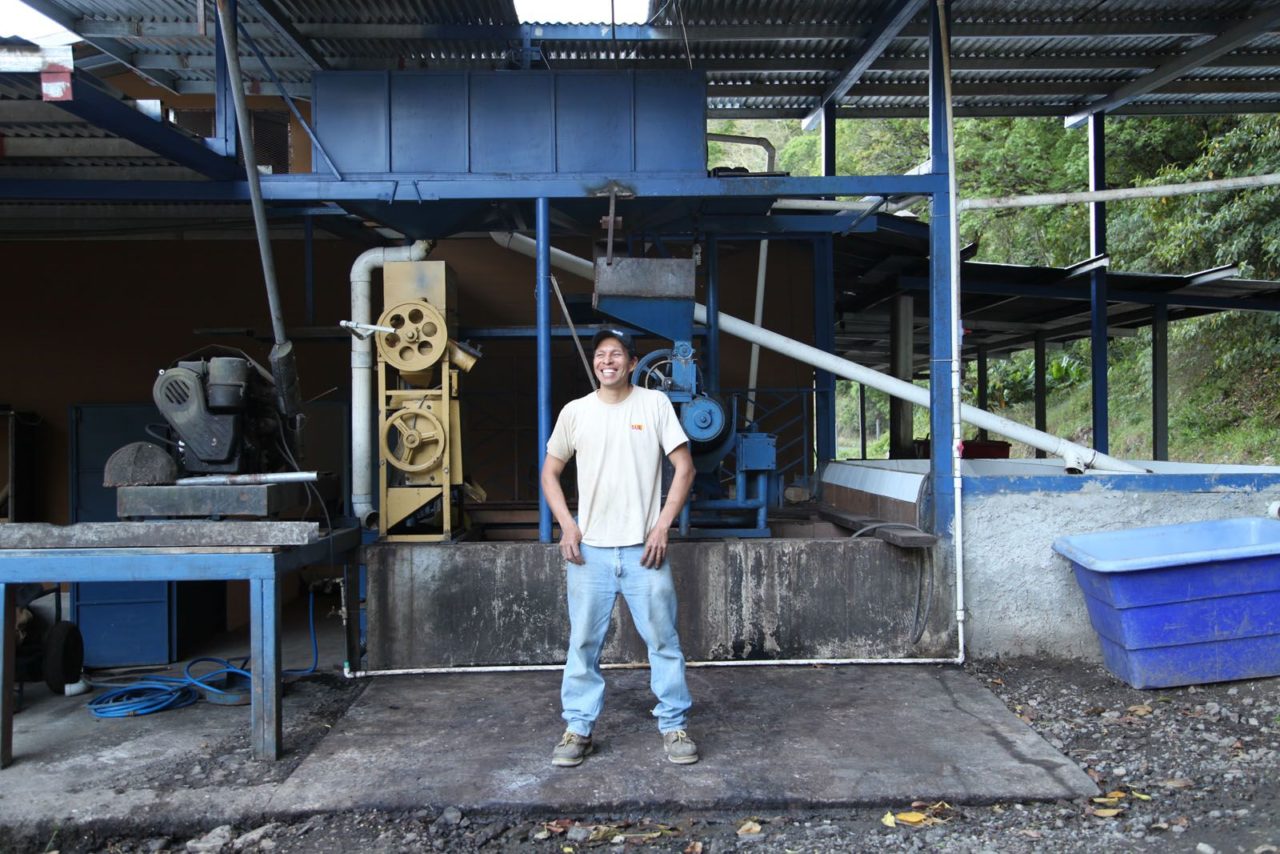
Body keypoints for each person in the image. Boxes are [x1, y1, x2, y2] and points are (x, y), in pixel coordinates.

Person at [540, 328, 698, 767]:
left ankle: (674, 725)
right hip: (588, 552)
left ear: (632, 363)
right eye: (600, 354)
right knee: (583, 644)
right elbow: (549, 473)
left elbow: (684, 468)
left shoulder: (654, 404)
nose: (607, 360)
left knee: (663, 642)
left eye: (617, 354)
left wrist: (662, 526)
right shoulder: (576, 412)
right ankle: (578, 728)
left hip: (643, 552)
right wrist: (567, 525)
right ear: (595, 364)